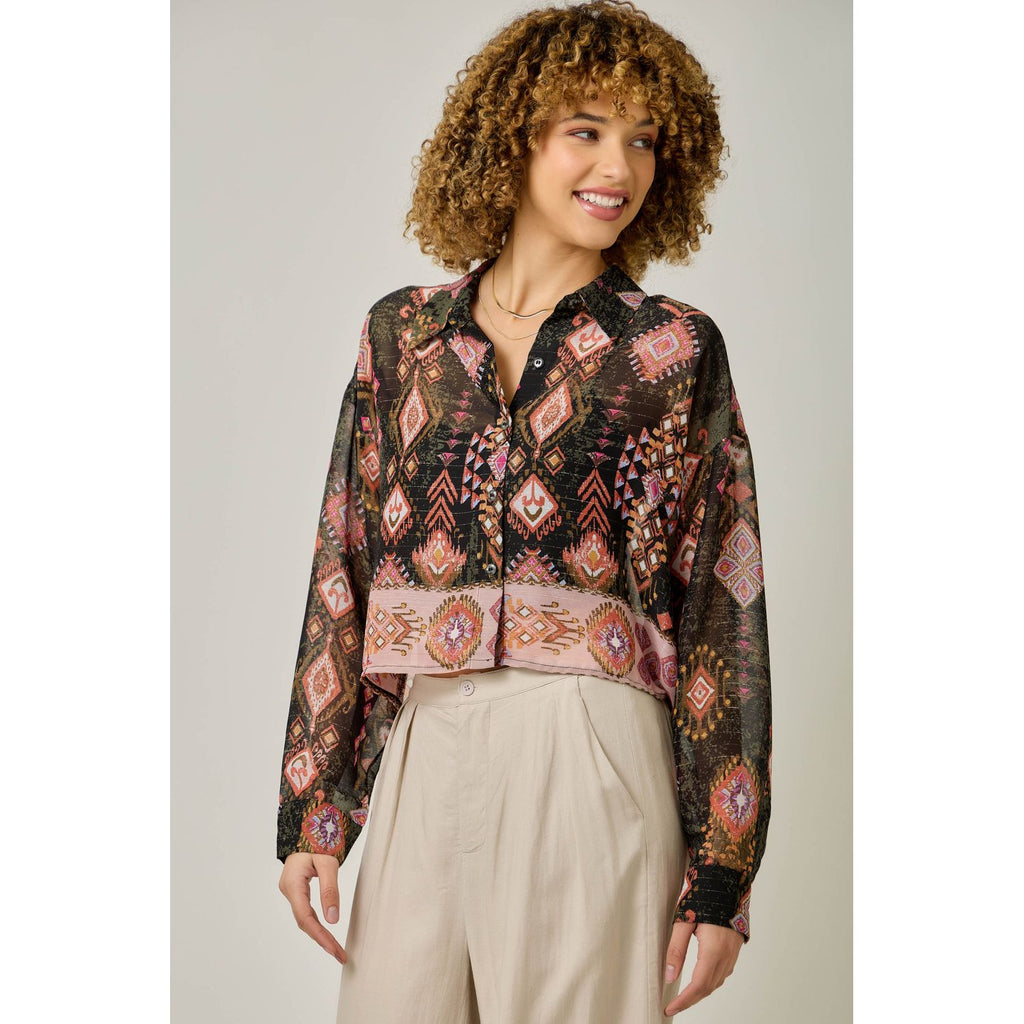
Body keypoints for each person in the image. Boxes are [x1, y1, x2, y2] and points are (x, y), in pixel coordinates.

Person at [276, 1, 773, 1020]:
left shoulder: (671, 350)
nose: (619, 167)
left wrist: (722, 872)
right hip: (424, 740)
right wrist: (315, 806)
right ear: (513, 138)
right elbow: (344, 564)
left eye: (644, 140)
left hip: (588, 745)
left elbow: (723, 604)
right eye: (586, 130)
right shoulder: (403, 336)